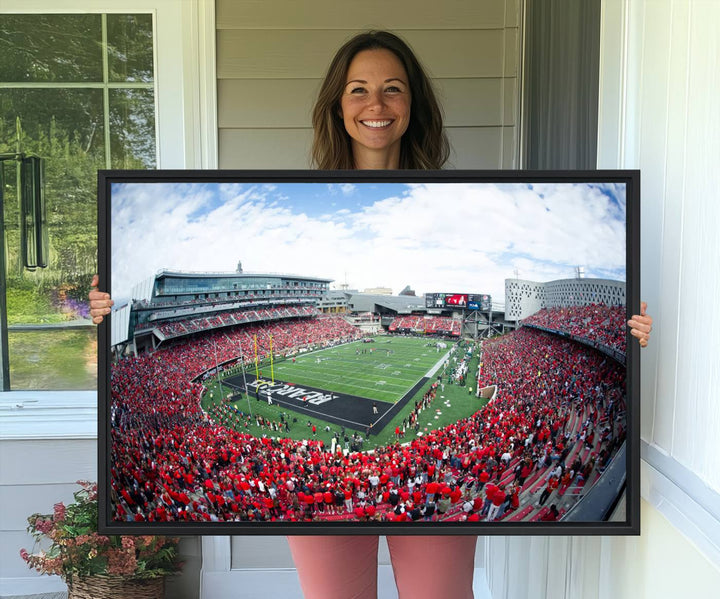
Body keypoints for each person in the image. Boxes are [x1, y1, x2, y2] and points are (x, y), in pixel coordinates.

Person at [89, 29, 653, 599]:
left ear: (413, 105)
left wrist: (628, 331)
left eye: (393, 89)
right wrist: (109, 310)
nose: (375, 105)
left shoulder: (456, 196)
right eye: (358, 89)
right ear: (337, 104)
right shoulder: (298, 194)